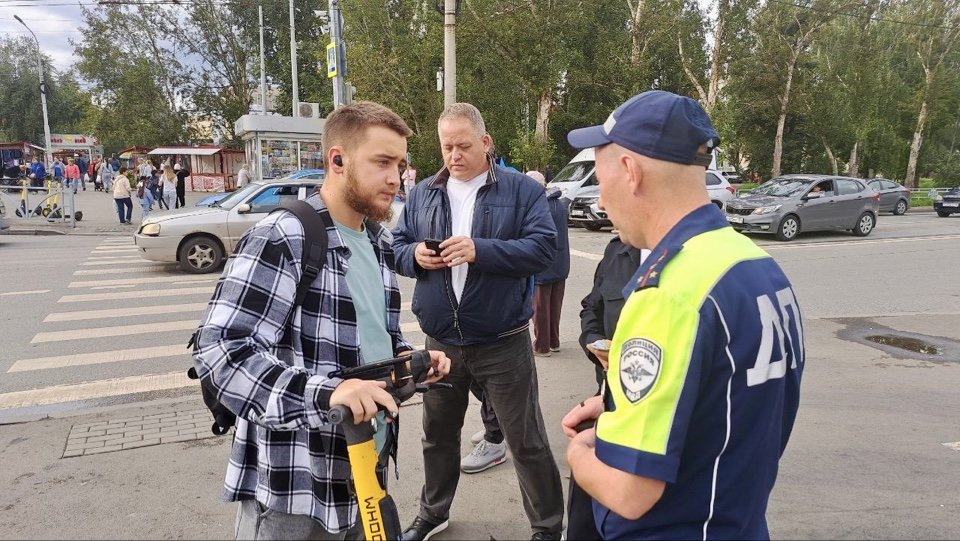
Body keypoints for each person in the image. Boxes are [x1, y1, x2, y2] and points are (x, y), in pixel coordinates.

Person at [192, 102, 451, 541]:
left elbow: (369, 338)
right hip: (296, 489)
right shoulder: (283, 235)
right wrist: (329, 393)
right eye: (383, 162)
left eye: (401, 165)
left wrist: (407, 361)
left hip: (364, 470)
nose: (396, 178)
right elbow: (221, 353)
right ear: (337, 160)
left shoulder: (379, 241)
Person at [561, 91, 805, 539]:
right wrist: (618, 404)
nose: (600, 200)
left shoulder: (667, 292)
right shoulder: (756, 265)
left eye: (599, 174)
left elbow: (630, 493)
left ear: (630, 172)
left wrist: (579, 453)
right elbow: (725, 400)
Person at [393, 103, 564, 541]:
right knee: (438, 437)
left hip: (502, 341)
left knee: (526, 441)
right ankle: (434, 515)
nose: (453, 155)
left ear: (485, 143)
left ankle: (547, 528)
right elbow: (395, 247)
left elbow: (544, 249)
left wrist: (480, 250)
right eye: (446, 146)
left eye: (463, 145)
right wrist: (414, 256)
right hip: (442, 341)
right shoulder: (423, 193)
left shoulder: (522, 190)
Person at [528, 170, 570, 356]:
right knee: (554, 306)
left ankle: (541, 346)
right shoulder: (558, 204)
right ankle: (554, 341)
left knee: (540, 309)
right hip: (561, 263)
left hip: (544, 266)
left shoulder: (540, 206)